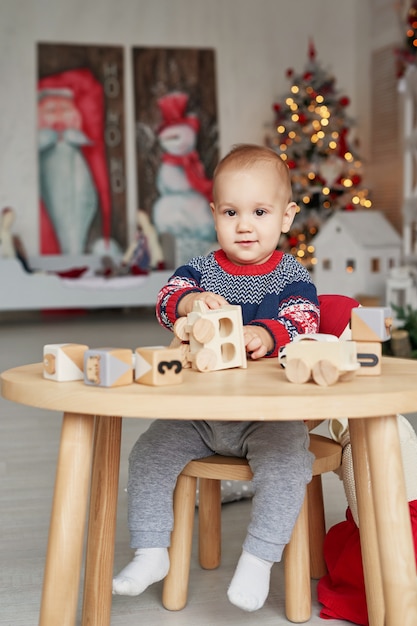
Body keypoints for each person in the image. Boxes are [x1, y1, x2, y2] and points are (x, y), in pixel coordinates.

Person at [113, 143, 320, 612]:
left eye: (260, 211)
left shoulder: (291, 275)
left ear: (286, 218)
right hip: (200, 415)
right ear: (214, 215)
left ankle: (258, 557)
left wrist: (269, 334)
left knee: (289, 465)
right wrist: (187, 304)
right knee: (147, 453)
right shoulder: (203, 270)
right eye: (231, 212)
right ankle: (150, 551)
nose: (244, 224)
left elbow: (305, 319)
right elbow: (168, 298)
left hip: (266, 419)